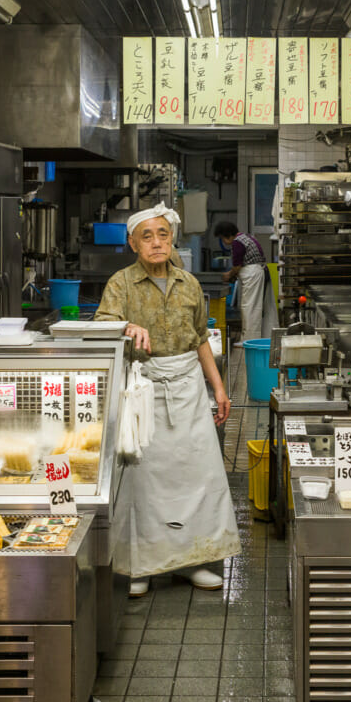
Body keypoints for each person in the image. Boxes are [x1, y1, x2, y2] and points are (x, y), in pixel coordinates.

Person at [95, 203, 241, 597]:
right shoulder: (121, 284)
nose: (157, 243)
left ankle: (193, 561)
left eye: (162, 235)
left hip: (189, 388)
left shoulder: (189, 283)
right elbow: (102, 324)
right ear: (132, 243)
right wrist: (126, 326)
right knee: (143, 480)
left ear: (171, 239)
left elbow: (199, 340)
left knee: (196, 475)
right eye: (147, 236)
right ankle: (140, 566)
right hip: (142, 389)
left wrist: (220, 388)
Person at [215, 221, 274, 344]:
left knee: (250, 308)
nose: (224, 242)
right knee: (258, 307)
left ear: (227, 235)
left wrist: (228, 275)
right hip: (258, 271)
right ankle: (261, 337)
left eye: (222, 238)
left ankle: (249, 340)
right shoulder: (246, 237)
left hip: (252, 274)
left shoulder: (237, 242)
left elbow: (237, 266)